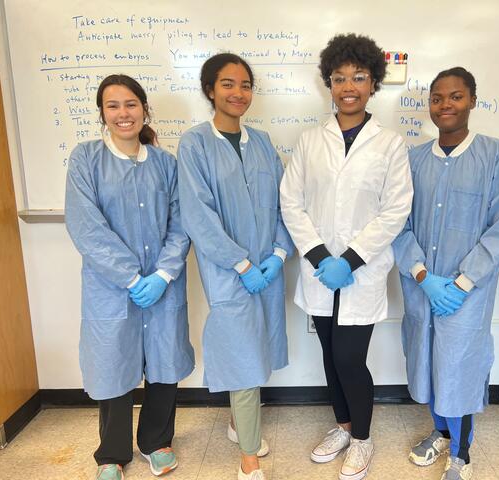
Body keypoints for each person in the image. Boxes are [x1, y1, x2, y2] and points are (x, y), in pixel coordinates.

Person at [280, 34, 413, 480]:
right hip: (321, 271)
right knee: (328, 355)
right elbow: (290, 203)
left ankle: (362, 439)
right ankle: (342, 426)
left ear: (373, 82)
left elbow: (395, 209)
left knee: (350, 359)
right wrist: (320, 257)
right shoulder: (308, 141)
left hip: (362, 271)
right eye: (339, 79)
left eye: (358, 77)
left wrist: (350, 260)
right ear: (329, 84)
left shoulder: (390, 144)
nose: (348, 86)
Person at [393, 67, 499, 480]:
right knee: (429, 361)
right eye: (437, 98)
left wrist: (463, 282)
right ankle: (440, 432)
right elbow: (397, 222)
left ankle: (461, 452)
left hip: (467, 292)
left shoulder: (496, 156)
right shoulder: (412, 160)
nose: (445, 105)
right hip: (421, 287)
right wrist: (421, 275)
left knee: (458, 366)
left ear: (472, 100)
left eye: (455, 96)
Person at [65, 74, 194, 480]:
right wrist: (130, 278)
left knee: (164, 365)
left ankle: (157, 442)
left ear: (144, 109)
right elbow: (87, 228)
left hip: (163, 286)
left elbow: (181, 224)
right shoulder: (86, 159)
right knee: (113, 367)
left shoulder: (165, 163)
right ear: (102, 113)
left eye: (131, 104)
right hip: (109, 290)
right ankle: (112, 454)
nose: (123, 113)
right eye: (113, 106)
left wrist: (162, 273)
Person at [177, 53, 294, 480]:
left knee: (259, 346)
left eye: (245, 85)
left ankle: (235, 423)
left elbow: (285, 204)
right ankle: (248, 457)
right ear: (211, 90)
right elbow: (197, 214)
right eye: (228, 84)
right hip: (228, 274)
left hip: (268, 269)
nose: (238, 93)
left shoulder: (261, 142)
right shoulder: (194, 144)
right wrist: (241, 263)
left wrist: (280, 254)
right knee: (243, 352)